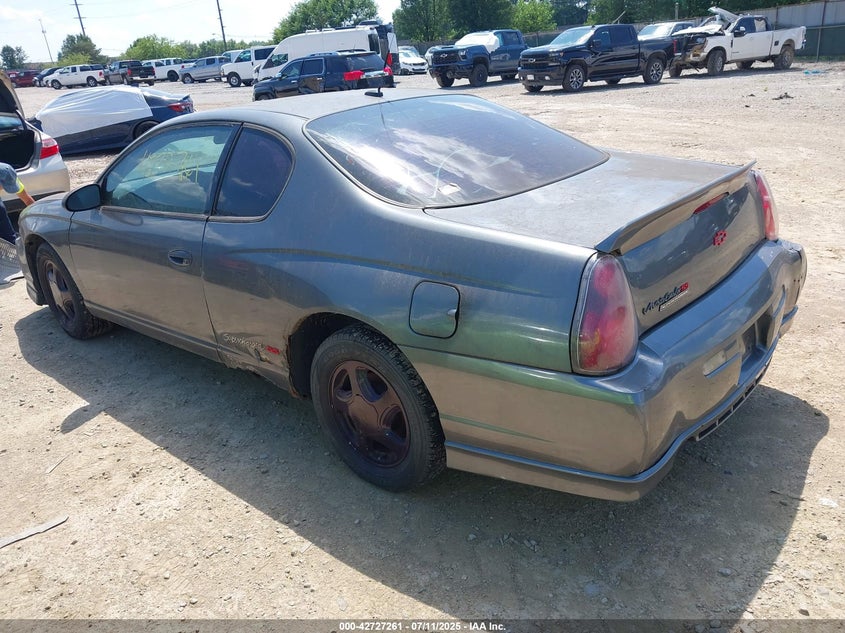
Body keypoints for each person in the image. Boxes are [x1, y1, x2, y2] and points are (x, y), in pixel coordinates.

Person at [0, 162, 35, 245]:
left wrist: (39, 216)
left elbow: (27, 199)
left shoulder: (11, 177)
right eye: (4, 186)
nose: (4, 189)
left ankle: (11, 243)